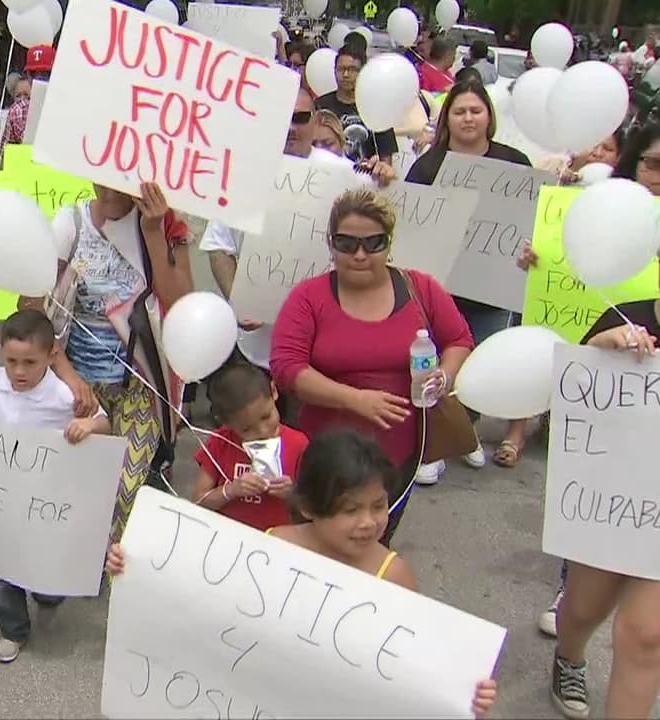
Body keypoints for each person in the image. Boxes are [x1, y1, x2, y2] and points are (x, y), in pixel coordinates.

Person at [104, 430, 499, 718]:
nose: (369, 522)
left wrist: (462, 695)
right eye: (350, 510)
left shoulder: (391, 574)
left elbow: (413, 667)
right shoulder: (272, 546)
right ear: (309, 507)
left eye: (378, 505)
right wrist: (135, 566)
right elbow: (203, 605)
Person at [270, 190, 474, 544]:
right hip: (324, 460)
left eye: (373, 243)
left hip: (398, 460)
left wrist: (444, 375)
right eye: (347, 243)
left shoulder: (421, 288)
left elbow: (459, 339)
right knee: (320, 547)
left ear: (388, 243)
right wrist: (355, 399)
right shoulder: (308, 297)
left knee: (373, 545)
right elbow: (287, 366)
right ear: (331, 244)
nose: (360, 254)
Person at [532, 123, 660, 674]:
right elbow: (581, 369)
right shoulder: (595, 212)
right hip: (613, 438)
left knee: (646, 632)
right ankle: (571, 646)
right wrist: (537, 260)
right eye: (653, 162)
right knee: (584, 604)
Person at [19, 181, 192, 541]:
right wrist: (67, 374)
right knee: (76, 487)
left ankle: (110, 561)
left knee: (124, 491)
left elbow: (182, 307)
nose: (110, 195)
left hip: (140, 385)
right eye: (103, 185)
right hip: (78, 381)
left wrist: (153, 232)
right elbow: (31, 308)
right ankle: (74, 557)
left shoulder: (165, 224)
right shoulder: (71, 223)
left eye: (120, 188)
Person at [0, 310, 109, 663]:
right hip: (1, 496)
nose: (19, 371)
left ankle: (49, 592)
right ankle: (12, 628)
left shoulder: (63, 395)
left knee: (45, 561)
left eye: (30, 362)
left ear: (50, 356)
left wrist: (88, 427)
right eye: (11, 361)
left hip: (45, 499)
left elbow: (103, 421)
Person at [404, 80, 532, 480]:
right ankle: (432, 441)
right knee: (435, 359)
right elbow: (409, 221)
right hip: (439, 286)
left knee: (481, 361)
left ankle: (463, 430)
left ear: (489, 116)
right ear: (447, 118)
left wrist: (531, 250)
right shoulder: (428, 166)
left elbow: (532, 220)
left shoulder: (515, 162)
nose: (468, 118)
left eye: (476, 110)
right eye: (459, 111)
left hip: (493, 287)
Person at [201, 86, 317, 415]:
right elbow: (219, 245)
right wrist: (240, 301)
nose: (291, 127)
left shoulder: (343, 175)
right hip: (256, 351)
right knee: (254, 434)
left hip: (317, 352)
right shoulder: (243, 176)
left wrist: (383, 177)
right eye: (282, 119)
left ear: (317, 120)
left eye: (300, 117)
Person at [192, 364, 309, 530]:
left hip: (277, 537)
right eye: (246, 429)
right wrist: (230, 490)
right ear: (227, 423)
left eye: (266, 416)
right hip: (229, 534)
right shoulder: (221, 442)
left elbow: (314, 507)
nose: (262, 431)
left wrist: (291, 493)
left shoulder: (299, 443)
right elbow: (198, 501)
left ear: (274, 391)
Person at [315, 45, 397, 162]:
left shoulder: (377, 108)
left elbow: (386, 157)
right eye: (341, 69)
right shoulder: (320, 106)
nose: (346, 74)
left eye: (352, 69)